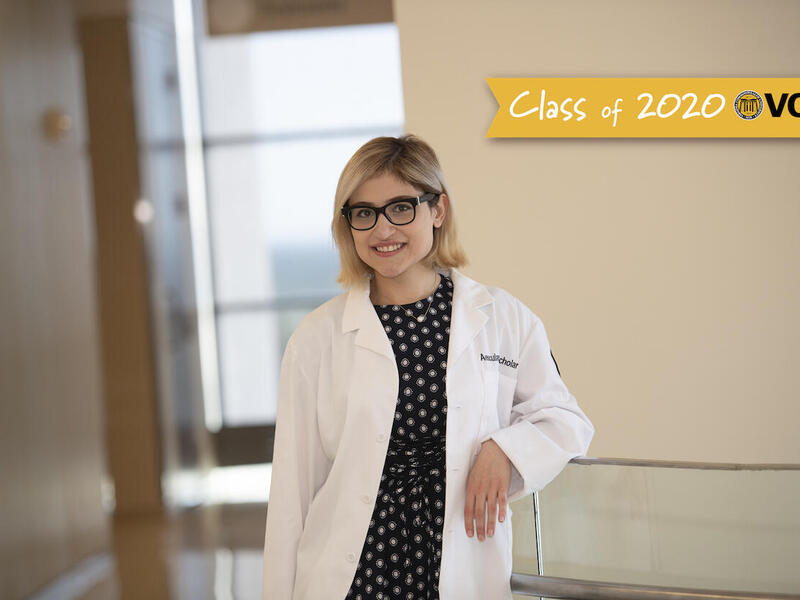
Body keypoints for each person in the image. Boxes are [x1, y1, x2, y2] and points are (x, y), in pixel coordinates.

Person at [261, 134, 594, 600]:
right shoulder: (316, 338)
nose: (382, 230)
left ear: (438, 209)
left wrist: (503, 449)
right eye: (364, 213)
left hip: (458, 568)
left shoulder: (502, 318)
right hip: (356, 578)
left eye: (401, 208)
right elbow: (291, 497)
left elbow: (566, 420)